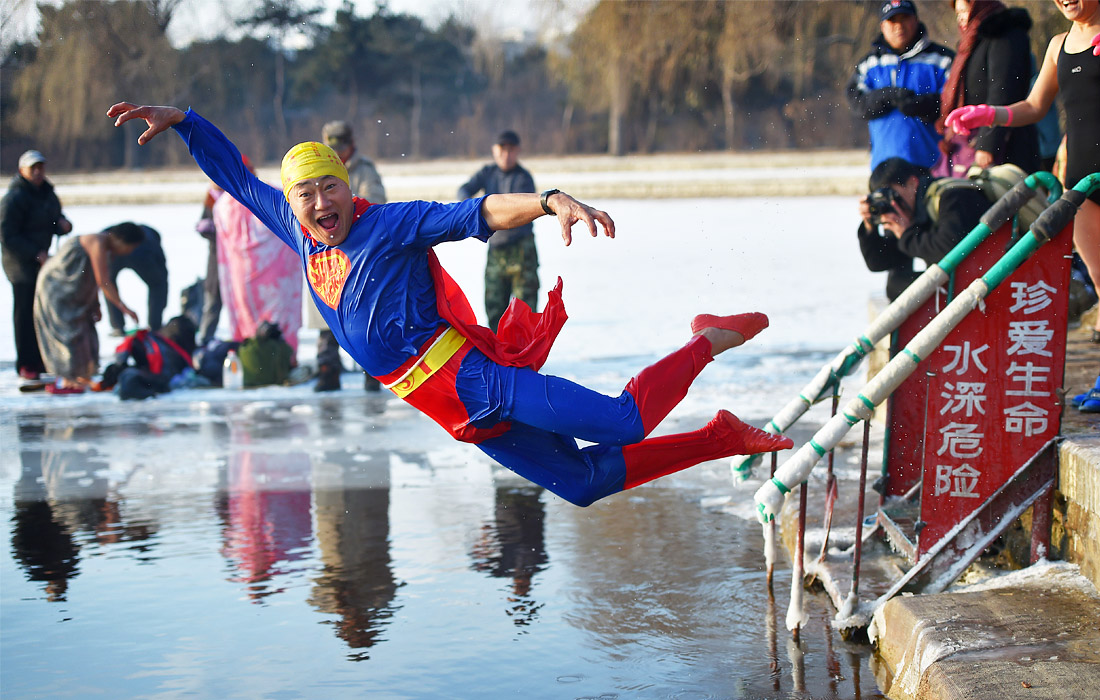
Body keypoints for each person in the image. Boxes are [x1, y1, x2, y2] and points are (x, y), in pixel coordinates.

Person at [108, 101, 793, 508]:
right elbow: (236, 178)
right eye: (305, 195)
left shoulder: (390, 224)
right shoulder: (297, 231)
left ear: (348, 186)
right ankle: (721, 437)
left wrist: (549, 200)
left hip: (480, 381)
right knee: (581, 485)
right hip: (456, 413)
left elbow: (479, 212)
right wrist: (188, 123)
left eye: (329, 189)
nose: (320, 205)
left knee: (625, 419)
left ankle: (705, 339)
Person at [944, 0, 1100, 346]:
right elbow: (1034, 105)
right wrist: (987, 115)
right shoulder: (1059, 45)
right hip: (1081, 182)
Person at [314, 120, 388, 391]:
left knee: (367, 319)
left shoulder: (364, 170)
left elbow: (376, 203)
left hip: (358, 257)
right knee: (325, 319)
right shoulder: (315, 170)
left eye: (340, 147)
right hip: (325, 258)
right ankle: (327, 371)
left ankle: (374, 374)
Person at [33, 222, 144, 393]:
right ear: (121, 240)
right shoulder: (97, 241)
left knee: (86, 332)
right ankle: (67, 379)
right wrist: (124, 308)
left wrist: (95, 304)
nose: (129, 252)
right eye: (131, 247)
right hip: (57, 290)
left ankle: (81, 377)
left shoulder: (107, 250)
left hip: (76, 296)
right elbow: (103, 281)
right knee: (68, 334)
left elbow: (92, 280)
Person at [857, 157, 988, 301]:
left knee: (900, 286)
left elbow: (951, 253)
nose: (892, 203)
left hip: (984, 278)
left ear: (913, 183)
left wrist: (907, 234)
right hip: (963, 279)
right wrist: (869, 229)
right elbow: (879, 262)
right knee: (896, 283)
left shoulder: (951, 197)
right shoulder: (907, 210)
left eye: (892, 194)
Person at [846, 0, 955, 170]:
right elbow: (857, 103)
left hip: (935, 166)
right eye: (892, 20)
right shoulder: (870, 64)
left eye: (905, 18)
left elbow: (955, 102)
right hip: (884, 169)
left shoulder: (943, 60)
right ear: (882, 26)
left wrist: (921, 105)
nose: (899, 26)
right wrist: (887, 96)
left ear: (916, 20)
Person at [936, 0, 1039, 176]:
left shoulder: (1004, 34)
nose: (960, 19)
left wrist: (988, 144)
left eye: (964, 11)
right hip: (973, 138)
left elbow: (1003, 91)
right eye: (957, 14)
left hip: (1004, 143)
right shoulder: (972, 42)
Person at [213, 155, 303, 356]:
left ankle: (253, 358)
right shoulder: (272, 195)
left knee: (249, 319)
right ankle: (284, 358)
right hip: (279, 277)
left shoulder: (223, 205)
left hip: (242, 277)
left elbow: (224, 247)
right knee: (280, 318)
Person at [0, 149, 73, 379]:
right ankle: (26, 363)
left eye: (41, 167)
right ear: (22, 171)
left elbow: (51, 217)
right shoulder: (15, 197)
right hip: (20, 264)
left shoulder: (46, 193)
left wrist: (61, 224)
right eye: (33, 168)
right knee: (24, 313)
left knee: (41, 312)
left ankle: (40, 359)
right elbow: (6, 234)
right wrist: (35, 253)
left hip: (42, 261)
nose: (38, 172)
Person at [458, 130, 539, 332]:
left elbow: (514, 214)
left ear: (518, 151)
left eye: (511, 150)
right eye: (502, 150)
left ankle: (525, 358)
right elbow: (464, 190)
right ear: (495, 151)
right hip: (496, 250)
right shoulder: (487, 173)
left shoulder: (524, 178)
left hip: (522, 251)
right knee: (495, 309)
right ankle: (497, 357)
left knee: (524, 311)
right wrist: (471, 209)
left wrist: (486, 215)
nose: (506, 155)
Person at [105, 223, 168, 335]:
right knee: (158, 284)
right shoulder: (151, 240)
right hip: (142, 252)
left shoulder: (109, 235)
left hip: (114, 250)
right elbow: (162, 274)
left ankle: (117, 326)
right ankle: (155, 325)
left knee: (107, 283)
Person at [196, 185, 223, 345]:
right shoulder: (211, 197)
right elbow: (203, 222)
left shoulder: (238, 194)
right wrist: (207, 228)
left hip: (241, 259)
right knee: (213, 299)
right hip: (216, 256)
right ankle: (205, 339)